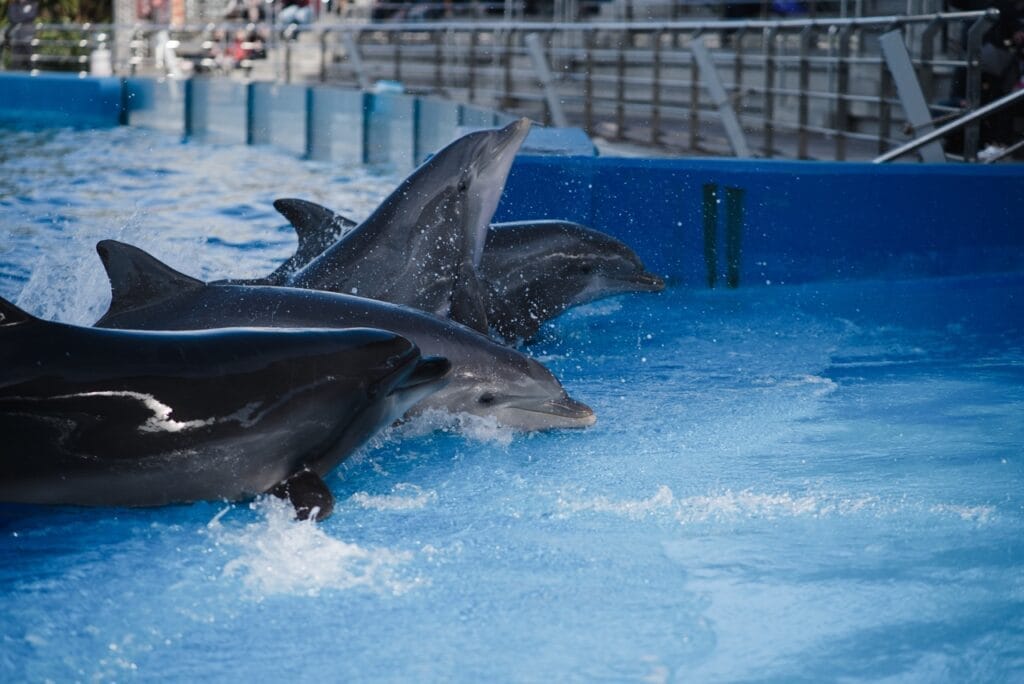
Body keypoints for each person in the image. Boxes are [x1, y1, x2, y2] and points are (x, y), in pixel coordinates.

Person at [5, 0, 40, 71]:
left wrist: (19, 16)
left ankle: (32, 73)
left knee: (30, 58)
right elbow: (12, 18)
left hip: (28, 36)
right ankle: (15, 75)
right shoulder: (13, 5)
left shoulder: (33, 3)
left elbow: (31, 16)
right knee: (16, 59)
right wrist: (24, 15)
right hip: (16, 36)